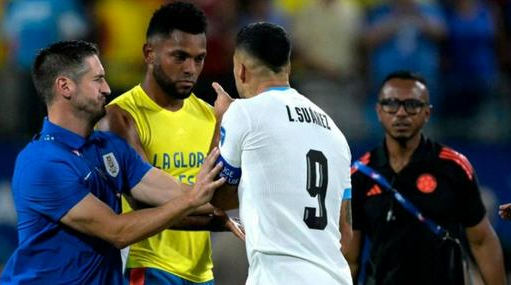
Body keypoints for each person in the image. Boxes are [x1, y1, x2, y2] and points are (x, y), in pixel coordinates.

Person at [0, 40, 226, 284]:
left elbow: (177, 193)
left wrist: (241, 209)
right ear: (65, 86)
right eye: (97, 79)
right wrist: (191, 200)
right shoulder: (42, 163)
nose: (107, 89)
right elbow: (117, 231)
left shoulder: (110, 147)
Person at [97, 2, 242, 284]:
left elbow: (220, 193)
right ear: (149, 54)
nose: (191, 68)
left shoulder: (209, 114)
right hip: (146, 268)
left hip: (202, 273)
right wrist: (222, 220)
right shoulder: (121, 116)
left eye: (199, 59)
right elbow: (143, 204)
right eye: (179, 57)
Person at [210, 22, 353, 285]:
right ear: (287, 66)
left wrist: (221, 119)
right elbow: (345, 233)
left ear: (240, 70)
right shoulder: (335, 132)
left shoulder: (244, 113)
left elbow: (215, 196)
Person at [347, 71, 506, 285]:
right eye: (391, 104)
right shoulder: (360, 175)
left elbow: (482, 241)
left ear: (427, 113)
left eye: (412, 105)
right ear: (378, 111)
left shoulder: (454, 167)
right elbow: (350, 258)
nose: (401, 113)